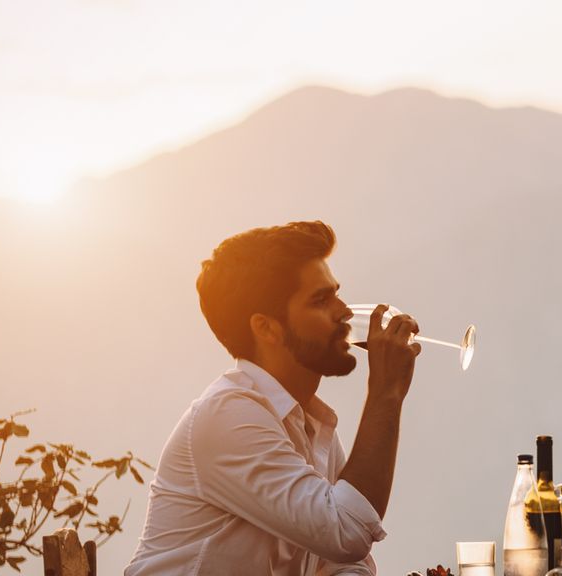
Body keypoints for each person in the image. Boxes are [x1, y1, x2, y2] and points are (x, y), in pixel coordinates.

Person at [127, 221, 422, 575]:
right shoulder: (228, 415)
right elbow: (347, 532)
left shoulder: (309, 421)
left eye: (336, 294)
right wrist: (385, 393)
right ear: (266, 327)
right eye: (320, 300)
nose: (344, 311)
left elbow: (344, 562)